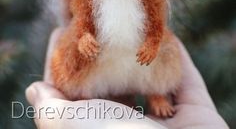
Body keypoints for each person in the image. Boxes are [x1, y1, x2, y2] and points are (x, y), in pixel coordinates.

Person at [25, 28, 229, 129]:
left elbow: (156, 25)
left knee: (159, 62)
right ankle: (82, 92)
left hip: (138, 63)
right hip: (101, 65)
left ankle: (156, 95)